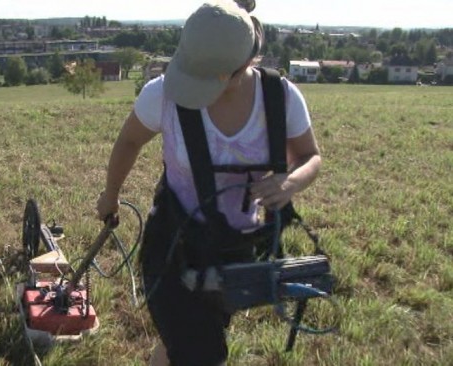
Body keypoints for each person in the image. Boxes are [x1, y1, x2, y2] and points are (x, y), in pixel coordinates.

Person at [96, 0, 322, 365]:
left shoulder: (281, 98)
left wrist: (290, 182)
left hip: (236, 249)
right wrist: (111, 197)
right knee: (203, 353)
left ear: (245, 64)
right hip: (173, 244)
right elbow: (129, 141)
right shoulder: (162, 94)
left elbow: (311, 157)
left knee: (184, 342)